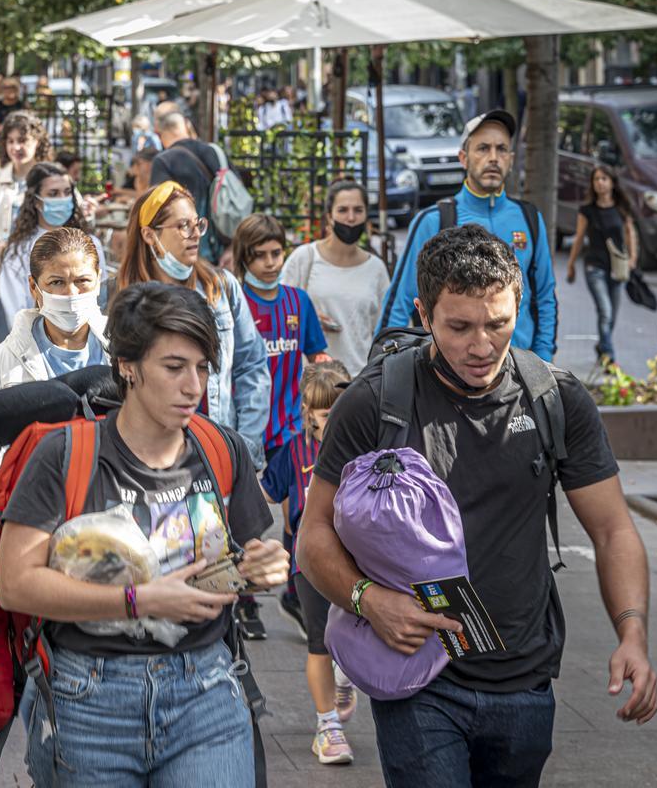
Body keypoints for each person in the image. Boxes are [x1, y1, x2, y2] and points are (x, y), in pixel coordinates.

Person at [298, 224, 657, 787]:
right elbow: (313, 536)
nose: (482, 345)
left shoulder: (555, 399)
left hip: (525, 679)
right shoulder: (374, 403)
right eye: (459, 327)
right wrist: (368, 601)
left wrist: (631, 634)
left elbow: (613, 531)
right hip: (419, 680)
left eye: (499, 323)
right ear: (423, 314)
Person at [0, 281, 289, 788]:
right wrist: (141, 599)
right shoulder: (66, 456)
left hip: (207, 693)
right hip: (88, 701)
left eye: (202, 368)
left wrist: (263, 569)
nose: (194, 386)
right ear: (128, 366)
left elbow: (238, 569)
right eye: (174, 367)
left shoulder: (222, 450)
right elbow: (15, 585)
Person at [118, 182, 272, 639]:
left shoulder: (220, 288)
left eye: (197, 224)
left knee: (221, 549)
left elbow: (251, 364)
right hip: (152, 456)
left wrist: (245, 445)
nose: (194, 235)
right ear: (149, 235)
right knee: (164, 552)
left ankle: (224, 629)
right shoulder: (128, 297)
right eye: (181, 226)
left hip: (216, 444)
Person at [378, 109, 558, 362]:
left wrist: (542, 363)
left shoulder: (529, 218)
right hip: (449, 374)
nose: (493, 158)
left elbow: (545, 297)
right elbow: (401, 301)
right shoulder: (434, 220)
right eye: (483, 148)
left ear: (511, 158)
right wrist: (384, 367)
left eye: (501, 149)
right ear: (463, 158)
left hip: (519, 370)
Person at [0, 227, 109, 518]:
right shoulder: (4, 360)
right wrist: (12, 517)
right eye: (57, 282)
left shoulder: (124, 348)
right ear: (34, 288)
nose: (71, 293)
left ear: (99, 281)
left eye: (82, 281)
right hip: (36, 514)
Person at [233, 213, 328, 638]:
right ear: (244, 258)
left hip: (291, 429)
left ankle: (294, 592)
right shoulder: (233, 302)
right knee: (244, 516)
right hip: (243, 429)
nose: (271, 262)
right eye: (260, 255)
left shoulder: (297, 302)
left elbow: (317, 358)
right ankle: (244, 597)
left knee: (298, 514)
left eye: (276, 253)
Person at [260, 361, 360, 765]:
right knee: (319, 642)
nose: (330, 421)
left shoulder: (366, 448)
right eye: (322, 414)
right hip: (310, 563)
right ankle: (327, 728)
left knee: (354, 634)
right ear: (307, 412)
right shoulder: (293, 452)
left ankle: (346, 675)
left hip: (358, 562)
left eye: (338, 411)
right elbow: (265, 492)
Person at [280, 180, 390, 376]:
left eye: (358, 210)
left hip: (360, 381)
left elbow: (385, 330)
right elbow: (279, 311)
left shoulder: (376, 268)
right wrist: (308, 319)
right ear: (329, 216)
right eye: (342, 210)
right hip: (314, 384)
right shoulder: (304, 258)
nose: (351, 218)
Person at [0, 110, 52, 339]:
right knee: (11, 350)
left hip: (47, 283)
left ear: (37, 141)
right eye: (11, 141)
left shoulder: (52, 179)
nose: (16, 147)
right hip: (1, 280)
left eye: (23, 140)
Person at [0, 161, 106, 328]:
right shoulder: (18, 252)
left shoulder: (91, 244)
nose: (62, 199)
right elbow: (16, 311)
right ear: (37, 201)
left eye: (67, 192)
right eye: (53, 193)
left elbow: (100, 300)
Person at [566, 164, 639, 366]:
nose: (600, 183)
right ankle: (609, 357)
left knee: (612, 315)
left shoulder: (621, 208)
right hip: (594, 267)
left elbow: (629, 233)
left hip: (617, 268)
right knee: (605, 311)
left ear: (612, 182)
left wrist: (633, 258)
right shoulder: (587, 210)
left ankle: (602, 346)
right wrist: (571, 264)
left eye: (604, 179)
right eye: (596, 179)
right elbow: (579, 237)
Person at [149, 111, 231, 264]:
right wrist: (233, 247)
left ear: (162, 134)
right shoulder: (215, 152)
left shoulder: (164, 161)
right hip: (223, 248)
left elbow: (157, 210)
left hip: (185, 253)